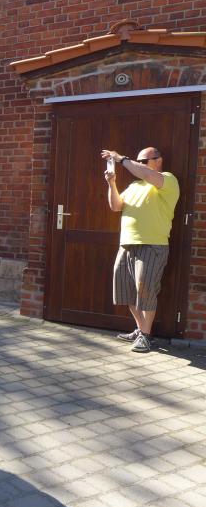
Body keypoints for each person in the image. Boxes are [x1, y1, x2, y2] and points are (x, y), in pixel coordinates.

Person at [102, 147, 179, 353]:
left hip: (152, 245)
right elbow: (116, 206)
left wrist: (121, 159)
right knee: (127, 291)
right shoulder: (134, 186)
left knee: (146, 291)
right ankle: (141, 330)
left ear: (158, 160)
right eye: (138, 161)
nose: (139, 164)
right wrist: (111, 183)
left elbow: (147, 174)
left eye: (144, 161)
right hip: (127, 244)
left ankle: (145, 335)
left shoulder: (168, 179)